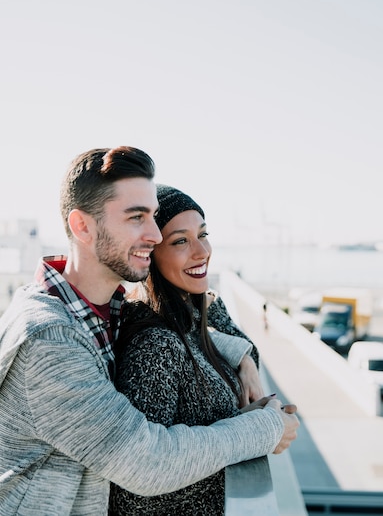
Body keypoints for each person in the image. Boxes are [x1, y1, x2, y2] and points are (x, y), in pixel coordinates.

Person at [0, 146, 299, 516]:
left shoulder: (106, 308)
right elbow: (147, 461)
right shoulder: (50, 340)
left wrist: (242, 357)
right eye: (136, 218)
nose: (156, 235)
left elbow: (196, 316)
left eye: (154, 218)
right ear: (82, 227)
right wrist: (265, 427)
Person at [109, 184, 298, 515]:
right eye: (181, 241)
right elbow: (134, 491)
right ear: (150, 253)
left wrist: (244, 362)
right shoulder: (156, 346)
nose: (202, 251)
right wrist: (260, 432)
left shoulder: (193, 308)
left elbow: (233, 334)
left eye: (203, 234)